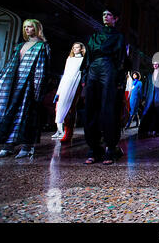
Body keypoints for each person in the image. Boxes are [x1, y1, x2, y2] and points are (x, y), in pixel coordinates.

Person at [0, 19, 50, 158]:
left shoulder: (42, 46)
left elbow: (41, 69)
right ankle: (8, 146)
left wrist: (37, 88)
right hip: (13, 81)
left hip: (29, 83)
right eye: (25, 27)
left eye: (30, 27)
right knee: (9, 112)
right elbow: (11, 63)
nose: (27, 29)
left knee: (26, 114)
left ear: (36, 28)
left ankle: (27, 146)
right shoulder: (21, 45)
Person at [83, 9, 125, 165]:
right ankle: (93, 148)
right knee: (91, 108)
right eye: (103, 15)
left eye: (109, 15)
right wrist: (85, 76)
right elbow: (88, 56)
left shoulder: (118, 36)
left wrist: (120, 80)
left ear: (115, 19)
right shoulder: (94, 36)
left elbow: (121, 59)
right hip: (94, 68)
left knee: (109, 108)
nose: (105, 17)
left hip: (109, 68)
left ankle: (110, 147)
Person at [52, 42, 86, 142]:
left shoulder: (83, 59)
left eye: (77, 48)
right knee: (60, 107)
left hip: (76, 83)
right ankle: (61, 130)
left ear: (81, 49)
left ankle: (68, 132)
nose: (75, 49)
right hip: (65, 83)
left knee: (71, 108)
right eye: (74, 47)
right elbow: (65, 73)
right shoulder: (69, 59)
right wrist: (59, 90)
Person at [138, 61, 159, 138]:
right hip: (150, 97)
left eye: (157, 64)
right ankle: (147, 130)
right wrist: (144, 97)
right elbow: (146, 86)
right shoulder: (150, 75)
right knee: (148, 113)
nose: (155, 65)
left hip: (158, 96)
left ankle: (157, 130)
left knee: (158, 114)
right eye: (154, 64)